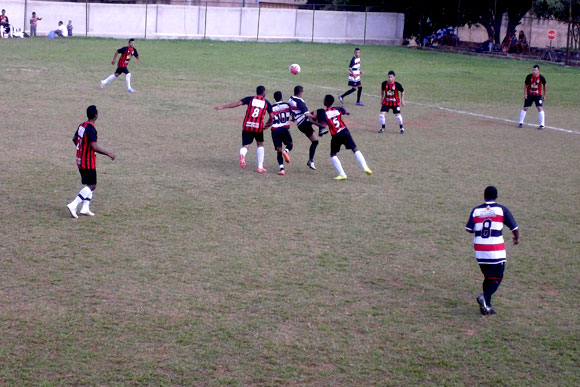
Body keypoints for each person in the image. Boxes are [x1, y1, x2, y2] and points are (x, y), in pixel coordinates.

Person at [465, 186, 519, 316]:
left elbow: (469, 229)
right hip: (495, 250)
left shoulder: (476, 210)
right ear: (496, 196)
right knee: (497, 278)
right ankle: (484, 297)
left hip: (480, 250)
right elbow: (514, 227)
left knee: (488, 278)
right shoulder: (501, 209)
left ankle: (486, 307)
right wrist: (516, 238)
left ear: (484, 196)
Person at [67, 105, 116, 218]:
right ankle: (73, 204)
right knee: (92, 185)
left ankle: (85, 208)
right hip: (87, 161)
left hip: (79, 159)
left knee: (89, 184)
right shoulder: (91, 129)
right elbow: (94, 147)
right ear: (96, 115)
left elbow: (74, 139)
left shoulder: (82, 125)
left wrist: (81, 148)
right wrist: (109, 153)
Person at [214, 85, 273, 173]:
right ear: (264, 93)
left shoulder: (250, 99)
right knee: (260, 144)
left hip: (247, 125)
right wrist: (268, 124)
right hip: (258, 126)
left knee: (246, 145)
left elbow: (237, 104)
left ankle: (242, 154)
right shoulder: (266, 102)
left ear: (256, 92)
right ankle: (260, 167)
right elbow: (272, 116)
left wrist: (223, 107)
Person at [317, 95, 372, 180]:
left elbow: (323, 125)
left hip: (336, 135)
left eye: (324, 100)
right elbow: (345, 111)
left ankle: (342, 174)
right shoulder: (337, 109)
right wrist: (345, 112)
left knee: (333, 154)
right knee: (354, 149)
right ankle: (366, 167)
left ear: (326, 102)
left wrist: (312, 121)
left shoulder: (324, 113)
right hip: (345, 131)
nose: (323, 101)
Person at [289, 85, 326, 170]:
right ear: (299, 93)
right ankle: (321, 129)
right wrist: (314, 118)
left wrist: (294, 118)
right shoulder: (300, 102)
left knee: (315, 141)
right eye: (302, 92)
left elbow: (293, 110)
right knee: (321, 112)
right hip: (304, 122)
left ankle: (310, 161)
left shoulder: (290, 99)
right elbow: (307, 114)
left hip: (300, 124)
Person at [269, 91, 293, 175]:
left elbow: (271, 119)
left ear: (274, 98)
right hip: (284, 129)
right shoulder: (287, 105)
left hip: (275, 130)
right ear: (281, 97)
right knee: (290, 145)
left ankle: (282, 169)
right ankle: (286, 151)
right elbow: (293, 116)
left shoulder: (272, 107)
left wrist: (266, 125)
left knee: (278, 150)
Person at [518, 64, 546, 129]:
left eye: (535, 70)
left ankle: (542, 124)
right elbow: (525, 85)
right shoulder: (529, 77)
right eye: (533, 70)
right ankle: (520, 122)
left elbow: (545, 86)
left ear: (538, 70)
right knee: (525, 108)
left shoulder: (541, 77)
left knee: (539, 107)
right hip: (529, 95)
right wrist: (525, 94)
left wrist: (544, 95)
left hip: (538, 96)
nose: (534, 71)